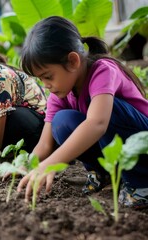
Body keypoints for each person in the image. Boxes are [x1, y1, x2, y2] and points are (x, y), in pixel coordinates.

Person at [17, 16, 148, 209]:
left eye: (48, 76)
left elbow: (97, 123)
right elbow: (45, 143)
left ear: (72, 61)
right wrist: (26, 166)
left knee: (105, 112)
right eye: (41, 79)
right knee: (62, 121)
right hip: (118, 150)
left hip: (142, 144)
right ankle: (103, 173)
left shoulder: (103, 71)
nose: (46, 86)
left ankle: (142, 183)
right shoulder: (60, 92)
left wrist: (51, 163)